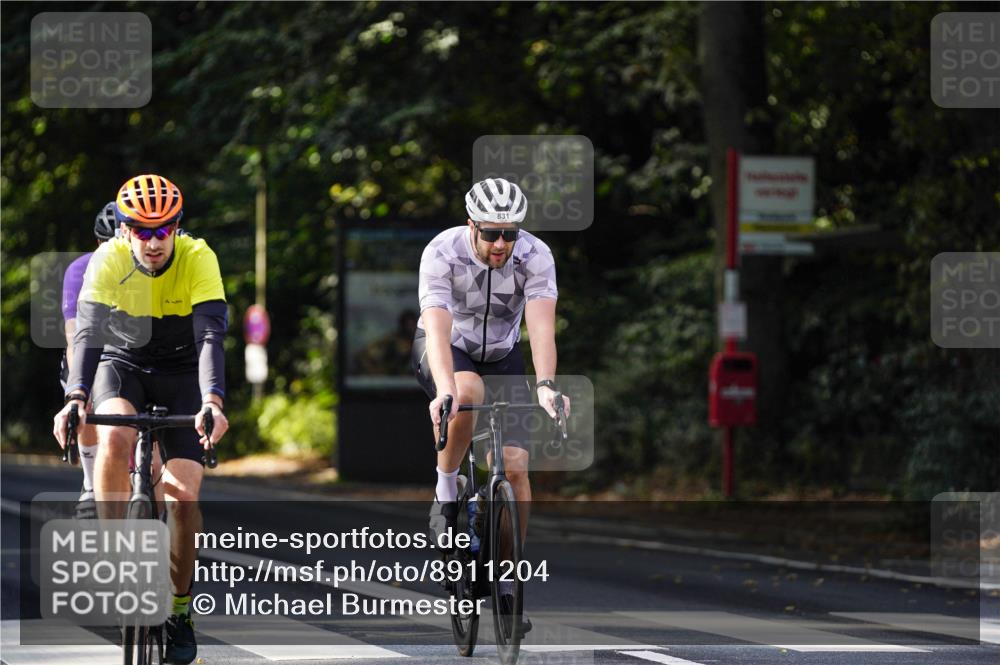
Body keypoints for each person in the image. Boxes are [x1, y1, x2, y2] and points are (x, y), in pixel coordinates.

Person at [53, 174, 229, 665]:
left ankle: (180, 609)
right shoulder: (108, 259)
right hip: (122, 363)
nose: (154, 242)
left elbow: (210, 337)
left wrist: (212, 401)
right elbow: (88, 334)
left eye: (163, 230)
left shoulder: (199, 257)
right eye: (142, 231)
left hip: (182, 371)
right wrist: (75, 396)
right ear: (125, 231)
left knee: (184, 496)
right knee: (114, 436)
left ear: (177, 227)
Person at [411, 176, 570, 635]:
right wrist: (445, 390)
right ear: (471, 225)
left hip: (503, 355)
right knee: (467, 393)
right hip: (448, 350)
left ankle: (507, 579)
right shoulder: (442, 252)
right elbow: (437, 329)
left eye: (510, 233)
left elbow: (541, 328)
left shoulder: (535, 256)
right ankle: (445, 492)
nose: (501, 244)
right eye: (491, 233)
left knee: (516, 469)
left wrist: (546, 385)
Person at [60, 202, 119, 519]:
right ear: (98, 244)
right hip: (90, 349)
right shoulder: (80, 270)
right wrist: (78, 393)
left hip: (132, 356)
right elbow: (75, 337)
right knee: (86, 393)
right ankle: (90, 481)